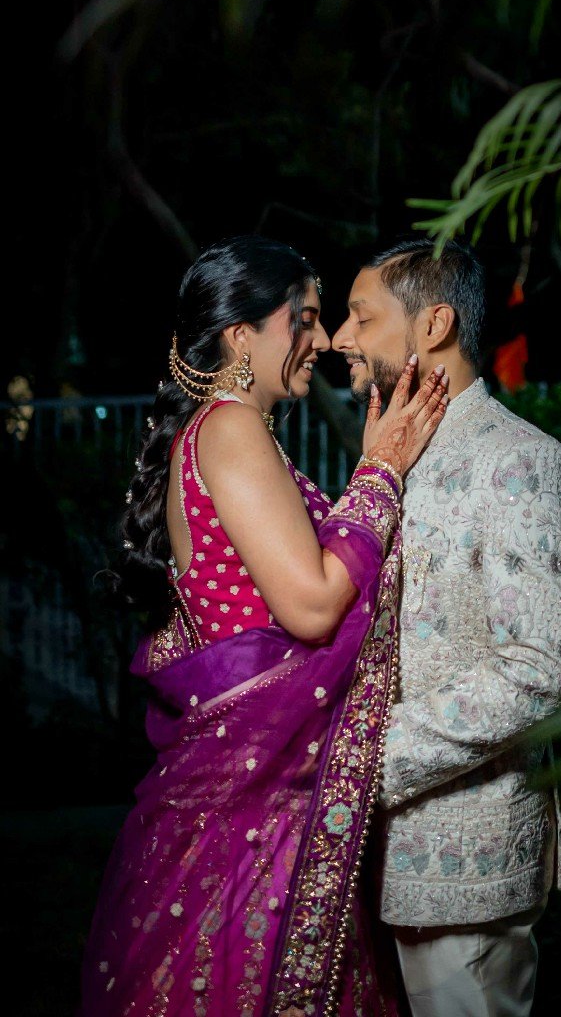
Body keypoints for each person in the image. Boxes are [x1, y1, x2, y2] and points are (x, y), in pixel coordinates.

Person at [80, 234, 448, 1017]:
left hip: (255, 799)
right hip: (255, 810)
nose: (322, 341)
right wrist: (381, 471)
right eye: (303, 320)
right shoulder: (228, 428)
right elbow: (311, 606)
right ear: (243, 334)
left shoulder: (228, 433)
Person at [332, 238, 561, 1017]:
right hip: (365, 857)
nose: (340, 338)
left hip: (464, 861)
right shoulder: (393, 455)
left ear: (434, 324)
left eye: (361, 318)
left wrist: (362, 758)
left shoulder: (519, 461)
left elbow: (537, 669)